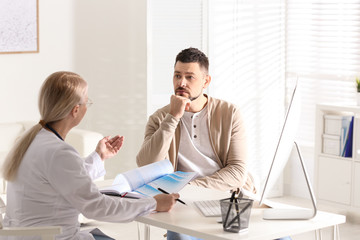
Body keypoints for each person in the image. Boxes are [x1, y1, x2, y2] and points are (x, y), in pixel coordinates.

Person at [1, 71, 179, 240]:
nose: (88, 106)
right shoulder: (60, 152)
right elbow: (98, 208)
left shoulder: (32, 140)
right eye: (87, 101)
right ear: (75, 110)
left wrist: (99, 156)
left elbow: (62, 178)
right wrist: (153, 203)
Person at [136, 47, 256, 240]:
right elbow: (146, 166)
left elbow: (237, 171)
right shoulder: (159, 118)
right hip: (184, 204)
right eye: (177, 76)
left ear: (206, 81)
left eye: (190, 77)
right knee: (179, 237)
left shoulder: (230, 113)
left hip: (227, 198)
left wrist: (190, 187)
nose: (181, 83)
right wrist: (173, 117)